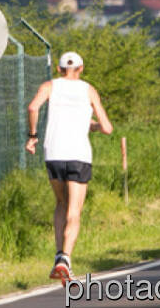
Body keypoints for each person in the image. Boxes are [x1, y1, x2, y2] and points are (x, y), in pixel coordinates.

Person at [26, 51, 113, 283]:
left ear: (59, 68)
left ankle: (58, 257)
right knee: (74, 211)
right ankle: (65, 258)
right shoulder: (88, 90)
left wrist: (32, 135)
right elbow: (107, 128)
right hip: (79, 155)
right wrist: (91, 126)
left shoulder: (50, 86)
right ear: (81, 68)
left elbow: (33, 108)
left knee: (61, 204)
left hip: (53, 153)